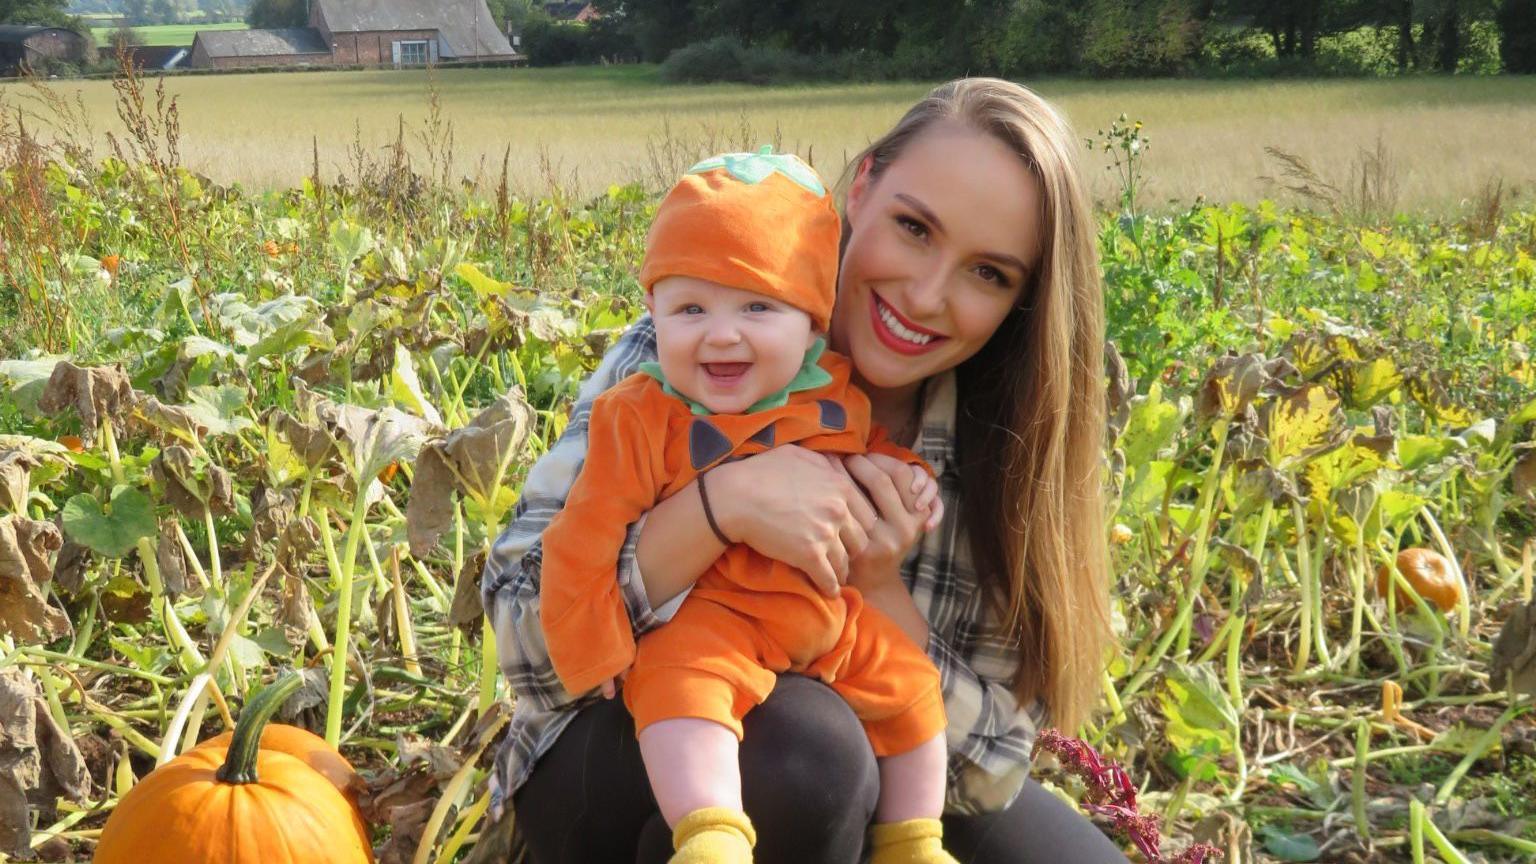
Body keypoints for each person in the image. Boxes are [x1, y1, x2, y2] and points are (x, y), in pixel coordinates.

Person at [483, 77, 1128, 864]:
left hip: (874, 754)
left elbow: (988, 768)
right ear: (861, 189)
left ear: (1021, 302)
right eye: (914, 227)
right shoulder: (698, 348)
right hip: (632, 752)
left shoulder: (1002, 433)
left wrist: (878, 582)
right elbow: (524, 645)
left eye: (987, 273)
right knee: (809, 756)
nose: (926, 296)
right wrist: (724, 504)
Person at [538, 148, 958, 864]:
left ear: (811, 329)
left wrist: (908, 480)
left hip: (825, 621)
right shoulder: (641, 413)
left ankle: (914, 840)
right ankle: (710, 831)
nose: (722, 333)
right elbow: (581, 535)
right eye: (690, 308)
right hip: (714, 620)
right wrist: (594, 641)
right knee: (682, 688)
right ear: (654, 316)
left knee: (913, 686)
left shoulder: (827, 395)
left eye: (757, 307)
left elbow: (868, 459)